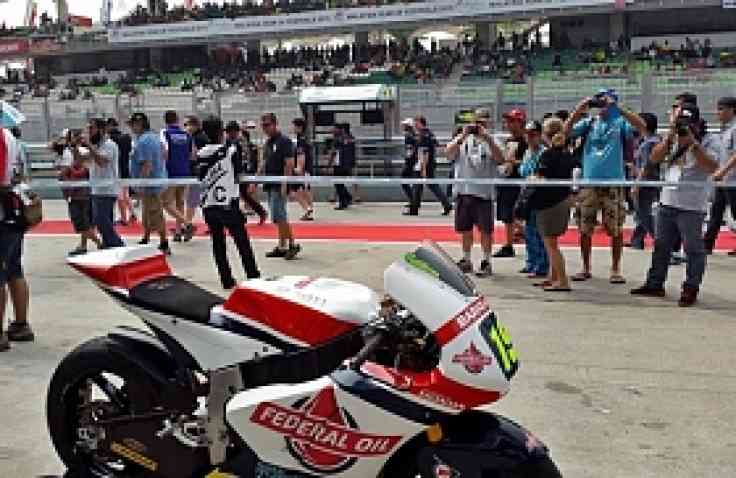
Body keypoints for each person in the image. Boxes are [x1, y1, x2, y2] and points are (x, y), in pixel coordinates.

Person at [631, 104, 723, 307]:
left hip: (692, 205)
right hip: (667, 201)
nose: (684, 127)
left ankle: (690, 287)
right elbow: (654, 158)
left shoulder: (710, 140)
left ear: (698, 123)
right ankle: (655, 283)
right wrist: (670, 137)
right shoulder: (671, 136)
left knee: (693, 249)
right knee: (661, 245)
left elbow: (712, 166)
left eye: (687, 123)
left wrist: (693, 143)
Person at [563, 88, 647, 284]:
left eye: (604, 100)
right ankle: (585, 267)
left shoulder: (620, 123)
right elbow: (565, 132)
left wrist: (619, 109)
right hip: (589, 182)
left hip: (613, 182)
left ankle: (616, 268)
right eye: (598, 100)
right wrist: (579, 110)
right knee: (585, 227)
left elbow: (642, 127)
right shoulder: (590, 122)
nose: (600, 105)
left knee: (615, 228)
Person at [198, 116, 260, 289]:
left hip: (209, 204)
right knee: (242, 242)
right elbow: (239, 174)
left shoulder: (201, 153)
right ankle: (253, 277)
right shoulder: (231, 151)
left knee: (218, 242)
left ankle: (226, 278)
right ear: (221, 132)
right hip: (228, 203)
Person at [445, 108, 505, 277]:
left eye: (483, 123)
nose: (479, 126)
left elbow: (501, 159)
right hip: (463, 191)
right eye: (476, 123)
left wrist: (487, 138)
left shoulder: (493, 140)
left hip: (483, 193)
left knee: (486, 230)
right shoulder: (462, 140)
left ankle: (486, 261)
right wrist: (462, 135)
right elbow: (448, 154)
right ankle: (466, 259)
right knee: (465, 229)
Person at [533, 118, 578, 292]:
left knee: (551, 244)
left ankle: (563, 280)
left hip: (549, 202)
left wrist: (532, 178)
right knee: (551, 243)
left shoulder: (548, 155)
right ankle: (553, 277)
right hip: (562, 199)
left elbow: (540, 177)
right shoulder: (567, 154)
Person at [1, 125, 33, 350]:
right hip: (13, 211)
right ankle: (20, 324)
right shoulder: (10, 136)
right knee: (14, 269)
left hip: (2, 213)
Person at [129, 112, 171, 255]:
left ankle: (164, 243)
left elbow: (146, 165)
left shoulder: (143, 141)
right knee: (148, 212)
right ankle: (146, 237)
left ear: (139, 124)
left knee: (155, 213)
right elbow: (164, 154)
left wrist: (141, 184)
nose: (131, 128)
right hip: (157, 180)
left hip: (151, 185)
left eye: (133, 125)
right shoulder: (153, 137)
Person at [261, 112, 301, 260]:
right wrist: (254, 180)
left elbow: (289, 163)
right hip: (270, 183)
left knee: (280, 216)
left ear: (275, 124)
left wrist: (285, 184)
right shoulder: (268, 142)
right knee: (277, 217)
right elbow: (264, 161)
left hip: (279, 184)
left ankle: (292, 244)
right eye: (263, 125)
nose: (265, 128)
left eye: (267, 125)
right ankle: (281, 246)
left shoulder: (284, 141)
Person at [81, 118, 124, 249]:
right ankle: (108, 244)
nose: (89, 132)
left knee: (101, 221)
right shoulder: (97, 146)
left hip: (107, 188)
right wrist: (74, 148)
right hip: (97, 188)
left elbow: (102, 162)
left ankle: (117, 244)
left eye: (91, 128)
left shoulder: (109, 145)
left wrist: (89, 146)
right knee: (104, 221)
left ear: (101, 130)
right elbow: (82, 161)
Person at [62, 130, 102, 256]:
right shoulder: (72, 152)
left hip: (79, 193)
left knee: (81, 223)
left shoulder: (79, 153)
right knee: (85, 221)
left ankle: (100, 243)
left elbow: (79, 171)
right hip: (79, 192)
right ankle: (83, 245)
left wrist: (68, 170)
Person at [494, 109, 527, 258]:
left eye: (511, 121)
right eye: (507, 121)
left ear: (520, 122)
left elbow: (531, 160)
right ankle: (509, 242)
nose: (508, 124)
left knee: (516, 213)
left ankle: (514, 241)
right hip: (507, 179)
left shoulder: (526, 140)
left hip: (520, 181)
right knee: (506, 214)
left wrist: (514, 162)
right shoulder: (509, 141)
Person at [705, 96, 736, 256]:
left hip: (732, 180)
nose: (718, 113)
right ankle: (707, 245)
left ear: (732, 110)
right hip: (723, 180)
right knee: (715, 213)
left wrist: (722, 171)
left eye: (721, 109)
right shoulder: (725, 130)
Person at [519, 120, 549, 279]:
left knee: (539, 232)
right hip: (527, 196)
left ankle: (542, 265)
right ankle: (531, 261)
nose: (529, 138)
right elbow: (524, 172)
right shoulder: (527, 152)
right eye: (527, 134)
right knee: (529, 231)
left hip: (539, 196)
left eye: (533, 135)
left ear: (539, 135)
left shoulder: (544, 152)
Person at [160, 110, 195, 242]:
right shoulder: (186, 134)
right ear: (177, 119)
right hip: (185, 172)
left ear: (165, 120)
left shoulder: (164, 133)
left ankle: (188, 224)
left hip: (171, 172)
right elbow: (193, 155)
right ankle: (178, 231)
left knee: (166, 203)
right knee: (180, 202)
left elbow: (165, 152)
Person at [627, 113, 661, 250]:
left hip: (646, 183)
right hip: (646, 181)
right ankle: (637, 240)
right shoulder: (648, 141)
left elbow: (647, 165)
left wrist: (637, 184)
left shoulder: (649, 143)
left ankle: (661, 244)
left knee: (644, 214)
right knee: (643, 214)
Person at [408, 116, 452, 216]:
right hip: (428, 164)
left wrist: (423, 168)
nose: (415, 125)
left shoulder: (424, 135)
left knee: (424, 186)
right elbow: (436, 144)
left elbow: (425, 152)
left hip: (424, 164)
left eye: (416, 123)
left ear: (421, 123)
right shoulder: (430, 134)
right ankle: (414, 208)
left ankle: (415, 208)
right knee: (421, 186)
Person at [107, 118, 136, 226]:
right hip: (126, 169)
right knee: (125, 194)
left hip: (116, 170)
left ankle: (124, 219)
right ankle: (132, 214)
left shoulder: (110, 140)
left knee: (120, 197)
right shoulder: (127, 138)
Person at [237, 122, 268, 224]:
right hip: (240, 174)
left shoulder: (253, 148)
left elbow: (257, 162)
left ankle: (259, 212)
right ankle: (260, 212)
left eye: (242, 139)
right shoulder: (237, 147)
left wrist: (256, 176)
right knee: (244, 195)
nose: (240, 141)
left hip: (249, 174)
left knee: (247, 195)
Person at [183, 115, 209, 231]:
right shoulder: (197, 136)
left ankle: (186, 224)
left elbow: (196, 156)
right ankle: (187, 223)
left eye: (187, 125)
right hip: (199, 174)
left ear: (194, 125)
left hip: (199, 174)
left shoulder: (198, 138)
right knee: (195, 201)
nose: (186, 128)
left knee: (192, 201)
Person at [291, 118, 315, 221]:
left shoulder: (301, 140)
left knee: (294, 191)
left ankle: (307, 209)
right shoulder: (304, 138)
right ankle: (310, 210)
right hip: (307, 169)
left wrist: (299, 169)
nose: (293, 128)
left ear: (299, 127)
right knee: (306, 189)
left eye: (294, 126)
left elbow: (302, 156)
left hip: (303, 169)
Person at [331, 123, 355, 211]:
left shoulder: (338, 139)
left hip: (340, 164)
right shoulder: (350, 138)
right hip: (346, 164)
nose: (332, 130)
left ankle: (343, 201)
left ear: (341, 129)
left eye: (334, 129)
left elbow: (333, 153)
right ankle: (347, 197)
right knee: (339, 183)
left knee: (338, 183)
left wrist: (329, 164)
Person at [400, 118, 418, 209]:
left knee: (404, 181)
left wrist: (407, 157)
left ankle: (413, 200)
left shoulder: (408, 136)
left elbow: (410, 150)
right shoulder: (414, 135)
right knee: (414, 182)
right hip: (414, 161)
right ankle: (413, 200)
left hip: (410, 162)